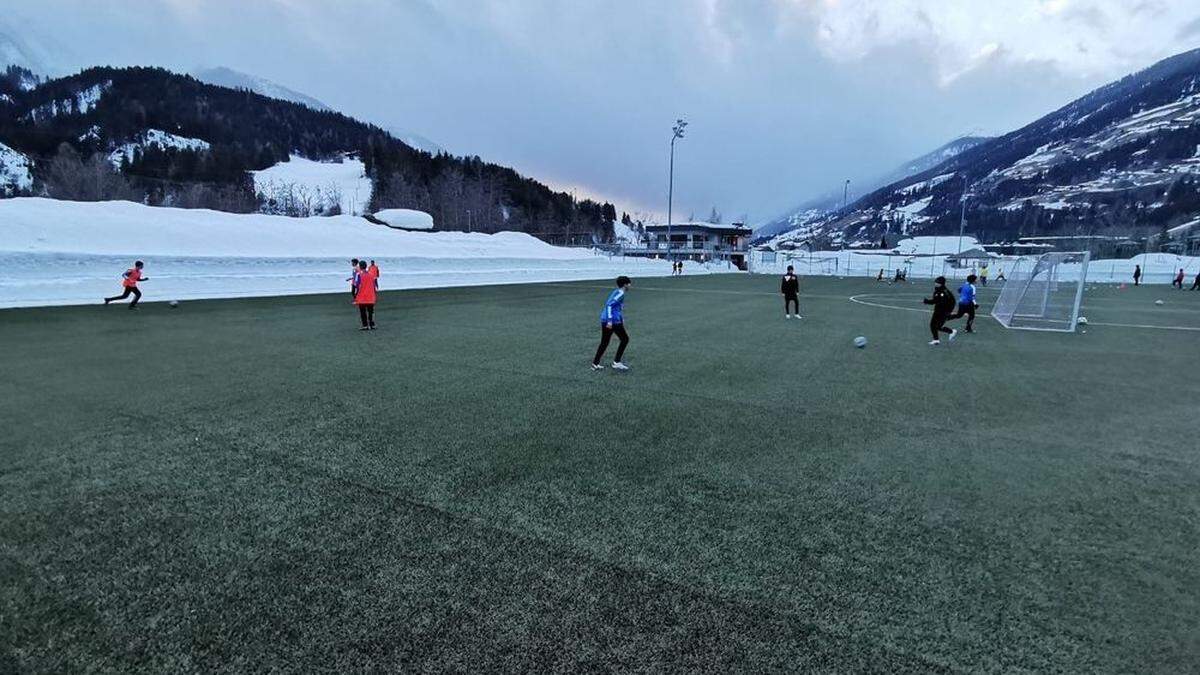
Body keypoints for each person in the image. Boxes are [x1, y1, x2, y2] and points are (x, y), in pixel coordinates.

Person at [592, 276, 632, 371]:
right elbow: (609, 305)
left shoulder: (617, 291)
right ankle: (616, 362)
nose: (630, 285)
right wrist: (610, 320)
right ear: (625, 284)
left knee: (605, 342)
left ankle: (595, 363)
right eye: (629, 284)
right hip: (612, 321)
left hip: (608, 319)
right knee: (625, 339)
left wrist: (621, 318)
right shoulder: (620, 293)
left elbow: (616, 307)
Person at [923, 276, 958, 346]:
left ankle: (951, 332)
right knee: (934, 325)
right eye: (935, 282)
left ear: (942, 283)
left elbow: (948, 302)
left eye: (937, 282)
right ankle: (936, 340)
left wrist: (948, 311)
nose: (936, 283)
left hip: (943, 312)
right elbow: (936, 301)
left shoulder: (944, 292)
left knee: (936, 326)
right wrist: (927, 301)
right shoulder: (938, 290)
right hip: (938, 311)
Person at [353, 260, 378, 330]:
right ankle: (372, 324)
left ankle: (365, 325)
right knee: (371, 311)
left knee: (363, 312)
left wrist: (355, 294)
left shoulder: (359, 275)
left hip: (362, 296)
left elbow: (356, 285)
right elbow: (374, 285)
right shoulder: (371, 274)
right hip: (370, 295)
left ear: (360, 267)